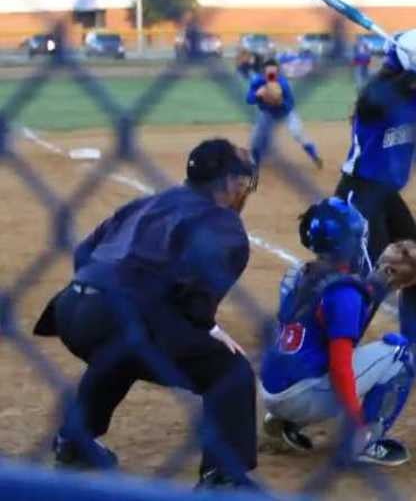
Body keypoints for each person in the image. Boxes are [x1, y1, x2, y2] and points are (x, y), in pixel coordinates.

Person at [33, 138, 260, 489]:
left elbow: (84, 252)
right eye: (242, 181)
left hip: (70, 308)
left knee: (124, 350)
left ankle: (75, 442)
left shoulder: (149, 201)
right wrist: (211, 330)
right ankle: (223, 478)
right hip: (116, 317)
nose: (244, 189)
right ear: (229, 182)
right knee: (230, 370)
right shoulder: (223, 223)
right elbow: (196, 302)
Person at [258, 197, 416, 465]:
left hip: (271, 386)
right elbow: (340, 367)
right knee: (400, 353)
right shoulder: (346, 294)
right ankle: (362, 442)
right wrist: (355, 422)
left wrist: (381, 282)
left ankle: (281, 422)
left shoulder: (300, 272)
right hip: (301, 395)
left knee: (314, 344)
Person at [335, 28, 416, 365]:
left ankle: (409, 343)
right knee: (379, 274)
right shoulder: (377, 92)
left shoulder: (415, 94)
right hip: (358, 193)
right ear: (411, 60)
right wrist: (412, 75)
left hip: (386, 195)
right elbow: (372, 104)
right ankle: (337, 355)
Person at [247, 58, 323, 169]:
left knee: (298, 133)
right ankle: (255, 164)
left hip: (286, 114)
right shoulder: (258, 82)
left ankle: (315, 156)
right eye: (268, 72)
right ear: (264, 72)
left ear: (278, 72)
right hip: (268, 115)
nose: (271, 74)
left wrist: (279, 102)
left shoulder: (284, 84)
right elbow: (249, 99)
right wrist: (257, 95)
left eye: (274, 72)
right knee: (256, 138)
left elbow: (290, 104)